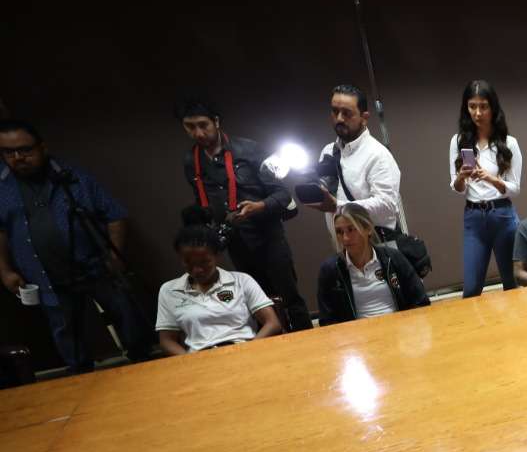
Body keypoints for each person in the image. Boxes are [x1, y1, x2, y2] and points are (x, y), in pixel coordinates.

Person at [0, 119, 152, 371]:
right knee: (66, 333)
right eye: (8, 152)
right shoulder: (2, 187)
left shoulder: (71, 176)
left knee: (126, 315)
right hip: (45, 275)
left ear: (42, 147)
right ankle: (81, 377)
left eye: (25, 150)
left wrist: (115, 257)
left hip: (94, 265)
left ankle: (143, 361)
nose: (17, 157)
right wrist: (5, 270)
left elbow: (114, 214)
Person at [177, 97, 310, 332]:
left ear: (216, 121)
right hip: (236, 243)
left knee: (290, 299)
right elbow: (202, 203)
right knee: (259, 306)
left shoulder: (251, 150)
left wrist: (259, 206)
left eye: (203, 125)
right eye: (190, 127)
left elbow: (283, 195)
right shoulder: (191, 162)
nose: (197, 133)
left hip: (269, 237)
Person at [303, 84, 407, 245]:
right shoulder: (328, 151)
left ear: (364, 118)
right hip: (343, 245)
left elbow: (387, 206)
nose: (339, 118)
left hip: (379, 247)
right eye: (335, 111)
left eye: (347, 113)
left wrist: (338, 206)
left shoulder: (378, 155)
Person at [156, 225, 281, 355]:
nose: (197, 270)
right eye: (188, 263)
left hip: (243, 348)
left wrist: (250, 350)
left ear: (217, 256)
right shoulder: (169, 290)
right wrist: (189, 361)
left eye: (204, 262)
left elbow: (272, 323)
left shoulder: (241, 280)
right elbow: (167, 340)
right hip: (199, 357)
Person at [449, 80, 522, 297]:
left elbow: (515, 188)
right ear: (466, 108)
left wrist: (491, 179)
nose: (478, 113)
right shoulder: (459, 141)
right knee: (471, 289)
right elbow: (457, 188)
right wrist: (461, 177)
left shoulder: (509, 143)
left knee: (512, 284)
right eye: (472, 106)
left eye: (483, 106)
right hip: (474, 217)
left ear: (493, 108)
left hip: (502, 215)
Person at [316, 205, 430, 325]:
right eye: (339, 232)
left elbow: (421, 300)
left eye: (351, 229)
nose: (345, 238)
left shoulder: (392, 258)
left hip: (398, 328)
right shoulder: (330, 270)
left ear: (368, 229)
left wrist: (408, 326)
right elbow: (326, 320)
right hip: (355, 333)